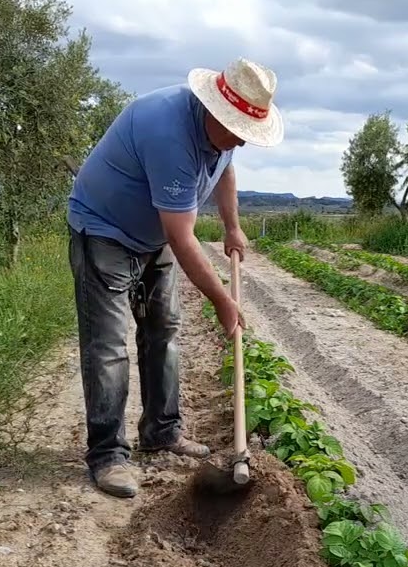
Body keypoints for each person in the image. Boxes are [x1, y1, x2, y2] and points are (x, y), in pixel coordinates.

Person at [66, 57, 284, 498]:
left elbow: (225, 169)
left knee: (163, 329)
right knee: (109, 346)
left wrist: (232, 225)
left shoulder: (220, 138)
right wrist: (223, 301)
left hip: (152, 236)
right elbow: (183, 239)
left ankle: (162, 431)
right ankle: (107, 456)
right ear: (214, 112)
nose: (240, 142)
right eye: (237, 130)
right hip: (104, 231)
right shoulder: (168, 132)